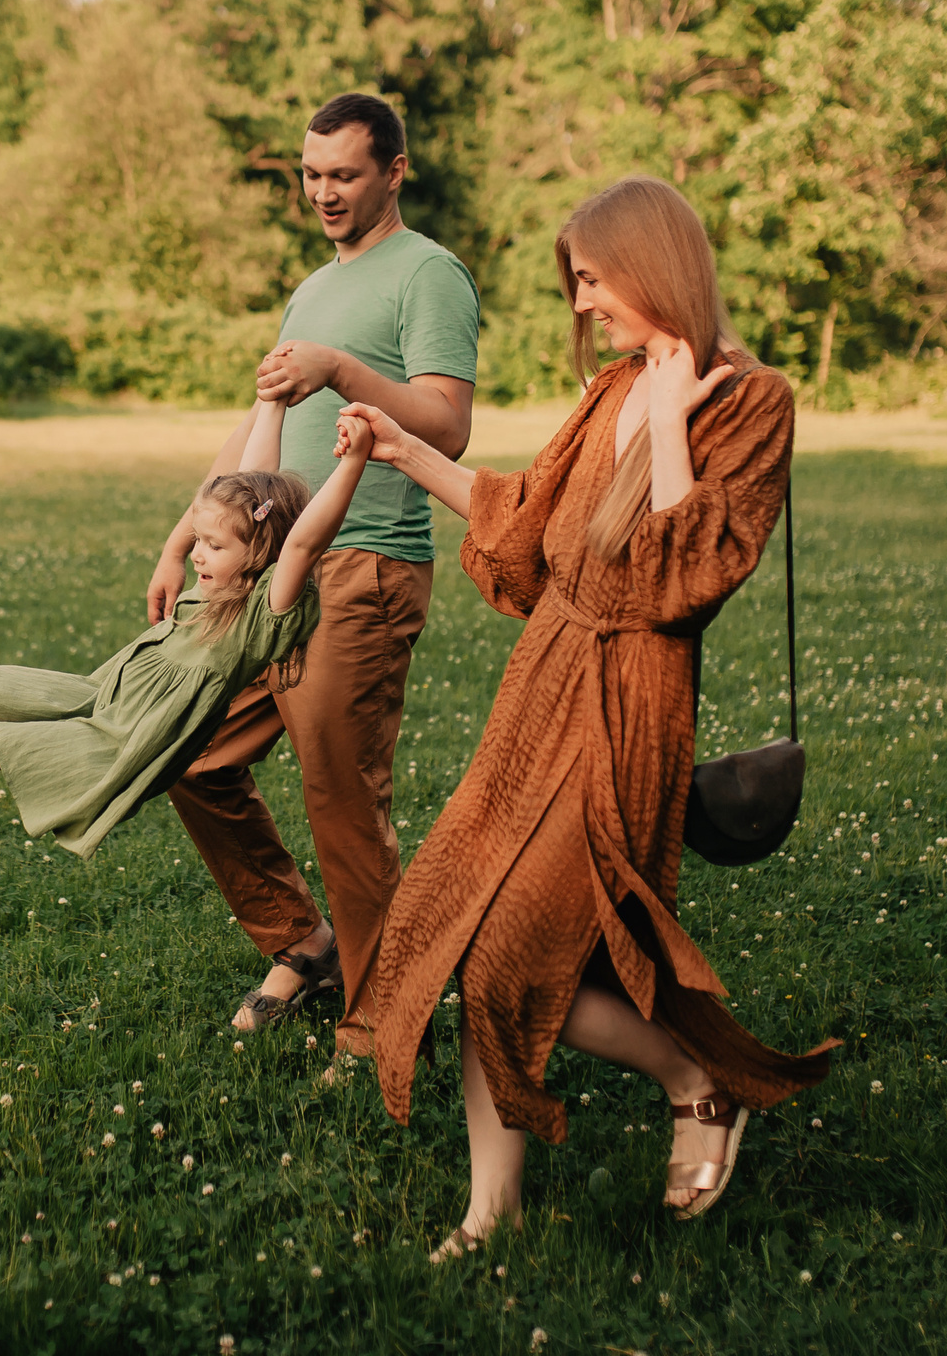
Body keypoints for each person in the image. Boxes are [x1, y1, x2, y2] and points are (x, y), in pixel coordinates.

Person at [332, 175, 837, 1248]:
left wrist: (670, 424)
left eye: (595, 281)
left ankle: (698, 1076)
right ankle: (490, 1212)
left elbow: (681, 576)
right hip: (542, 687)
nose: (583, 305)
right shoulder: (611, 391)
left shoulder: (752, 402)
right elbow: (525, 521)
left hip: (627, 699)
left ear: (657, 267)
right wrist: (400, 447)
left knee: (519, 951)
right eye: (577, 286)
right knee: (458, 923)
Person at [146, 92, 480, 1034]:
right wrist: (183, 536)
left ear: (393, 172)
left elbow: (447, 422)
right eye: (312, 175)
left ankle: (381, 1021)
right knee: (189, 753)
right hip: (263, 572)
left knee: (342, 802)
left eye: (344, 175)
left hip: (362, 568)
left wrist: (340, 368)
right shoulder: (312, 289)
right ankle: (306, 945)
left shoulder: (430, 275)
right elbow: (264, 425)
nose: (324, 193)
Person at [0, 393, 370, 858]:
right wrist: (270, 404)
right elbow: (244, 485)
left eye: (211, 545)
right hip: (100, 697)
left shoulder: (264, 610)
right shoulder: (226, 574)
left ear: (259, 552)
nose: (197, 555)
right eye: (198, 541)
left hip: (124, 737)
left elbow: (303, 542)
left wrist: (354, 461)